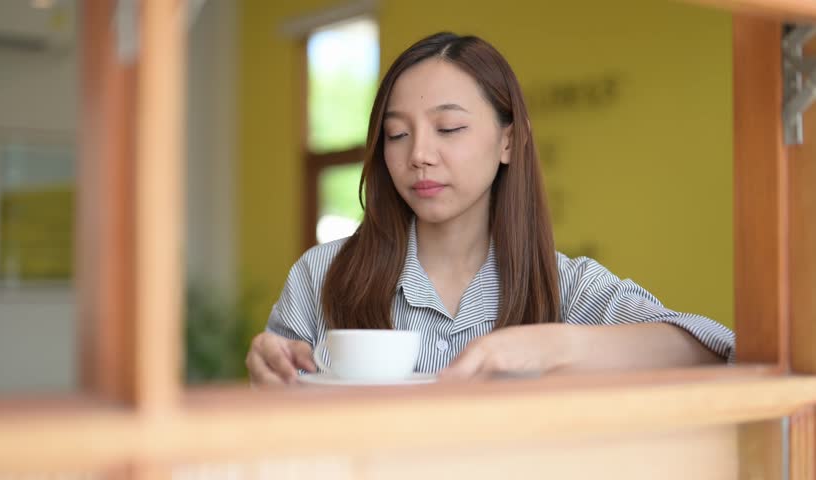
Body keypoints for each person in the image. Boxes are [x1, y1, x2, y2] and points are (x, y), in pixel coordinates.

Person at [245, 32, 734, 386]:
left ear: (508, 140)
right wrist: (269, 363)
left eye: (449, 129)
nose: (419, 154)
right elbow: (275, 412)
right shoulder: (322, 274)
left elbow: (714, 349)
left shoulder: (563, 285)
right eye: (397, 134)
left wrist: (550, 345)